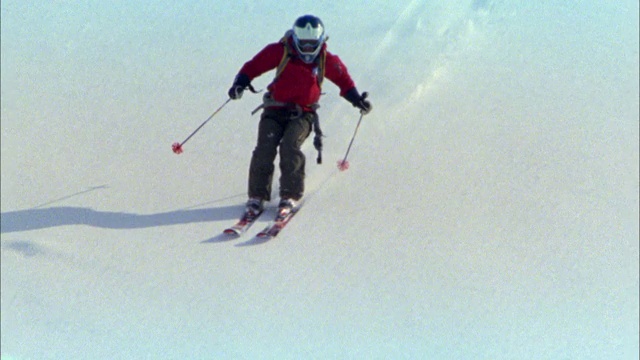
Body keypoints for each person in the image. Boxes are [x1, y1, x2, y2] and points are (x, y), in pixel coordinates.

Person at [228, 14, 371, 217]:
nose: (306, 49)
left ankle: (290, 195)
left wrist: (358, 100)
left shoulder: (327, 60)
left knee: (290, 146)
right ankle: (256, 197)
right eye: (302, 44)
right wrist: (239, 84)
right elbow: (253, 66)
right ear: (295, 39)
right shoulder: (280, 51)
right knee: (264, 149)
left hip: (302, 114)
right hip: (274, 110)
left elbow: (344, 81)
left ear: (320, 41)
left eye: (311, 44)